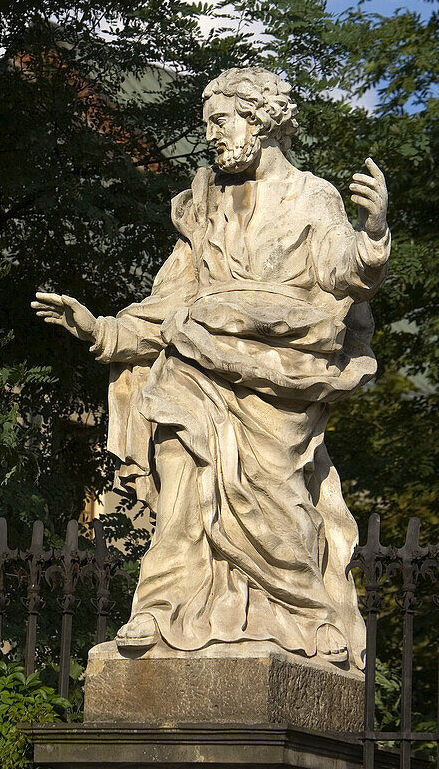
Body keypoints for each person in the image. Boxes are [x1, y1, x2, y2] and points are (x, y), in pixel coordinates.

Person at [33, 68, 389, 667]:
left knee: (276, 497)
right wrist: (103, 330)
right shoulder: (205, 206)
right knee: (178, 465)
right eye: (208, 126)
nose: (212, 137)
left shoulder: (311, 196)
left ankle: (304, 613)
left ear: (263, 120)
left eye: (221, 122)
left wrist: (373, 233)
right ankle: (164, 603)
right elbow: (174, 301)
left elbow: (339, 271)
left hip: (276, 372)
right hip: (197, 367)